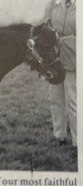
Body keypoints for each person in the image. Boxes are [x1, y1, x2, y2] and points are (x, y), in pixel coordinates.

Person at [46, 0, 76, 147]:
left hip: (75, 57)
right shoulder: (55, 3)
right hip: (55, 59)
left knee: (73, 101)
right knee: (56, 99)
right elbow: (47, 24)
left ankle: (78, 141)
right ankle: (59, 136)